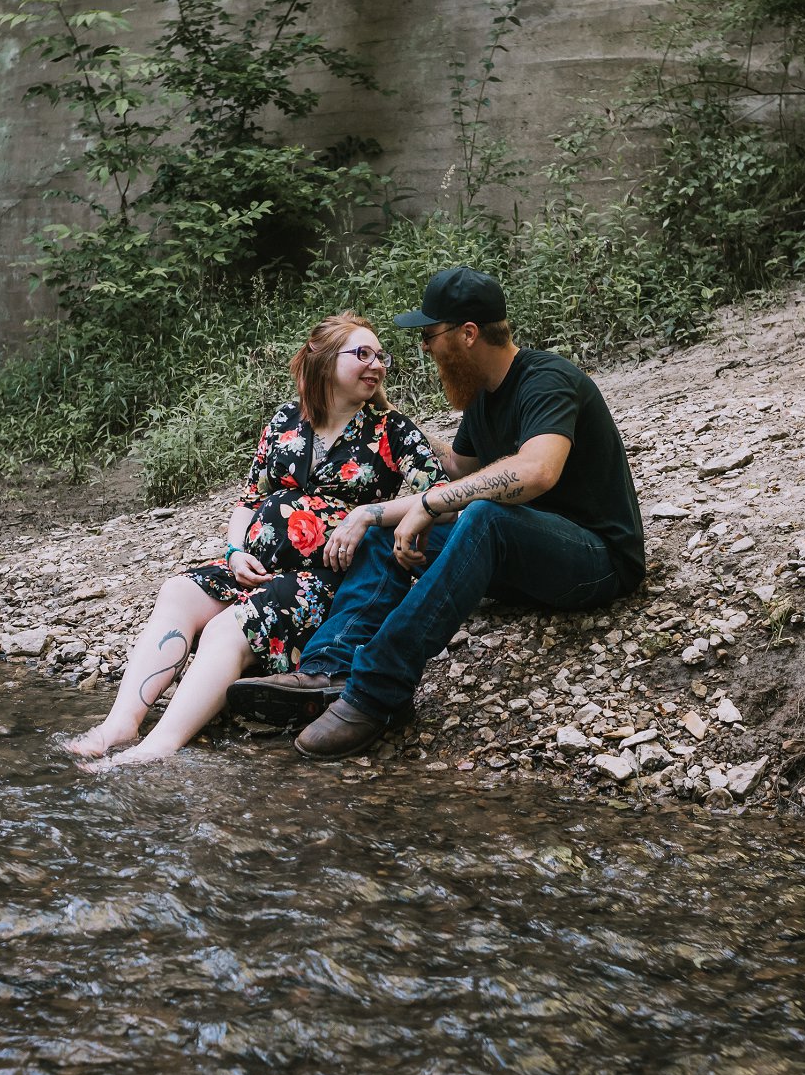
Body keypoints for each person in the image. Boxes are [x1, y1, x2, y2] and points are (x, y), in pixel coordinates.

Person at [227, 266, 646, 759]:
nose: (423, 348)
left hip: (596, 560)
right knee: (384, 531)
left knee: (480, 515)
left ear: (467, 334)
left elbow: (536, 471)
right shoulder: (484, 402)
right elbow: (457, 467)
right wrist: (384, 422)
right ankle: (328, 668)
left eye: (429, 335)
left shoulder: (547, 379)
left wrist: (429, 503)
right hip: (523, 559)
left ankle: (377, 693)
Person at [63, 312, 446, 767]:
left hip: (322, 578)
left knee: (228, 627)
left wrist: (369, 514)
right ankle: (120, 723)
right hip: (255, 566)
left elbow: (440, 497)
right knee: (178, 591)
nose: (376, 364)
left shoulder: (391, 429)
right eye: (361, 353)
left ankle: (157, 746)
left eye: (380, 355)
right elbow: (248, 499)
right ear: (323, 360)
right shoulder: (286, 420)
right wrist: (235, 549)